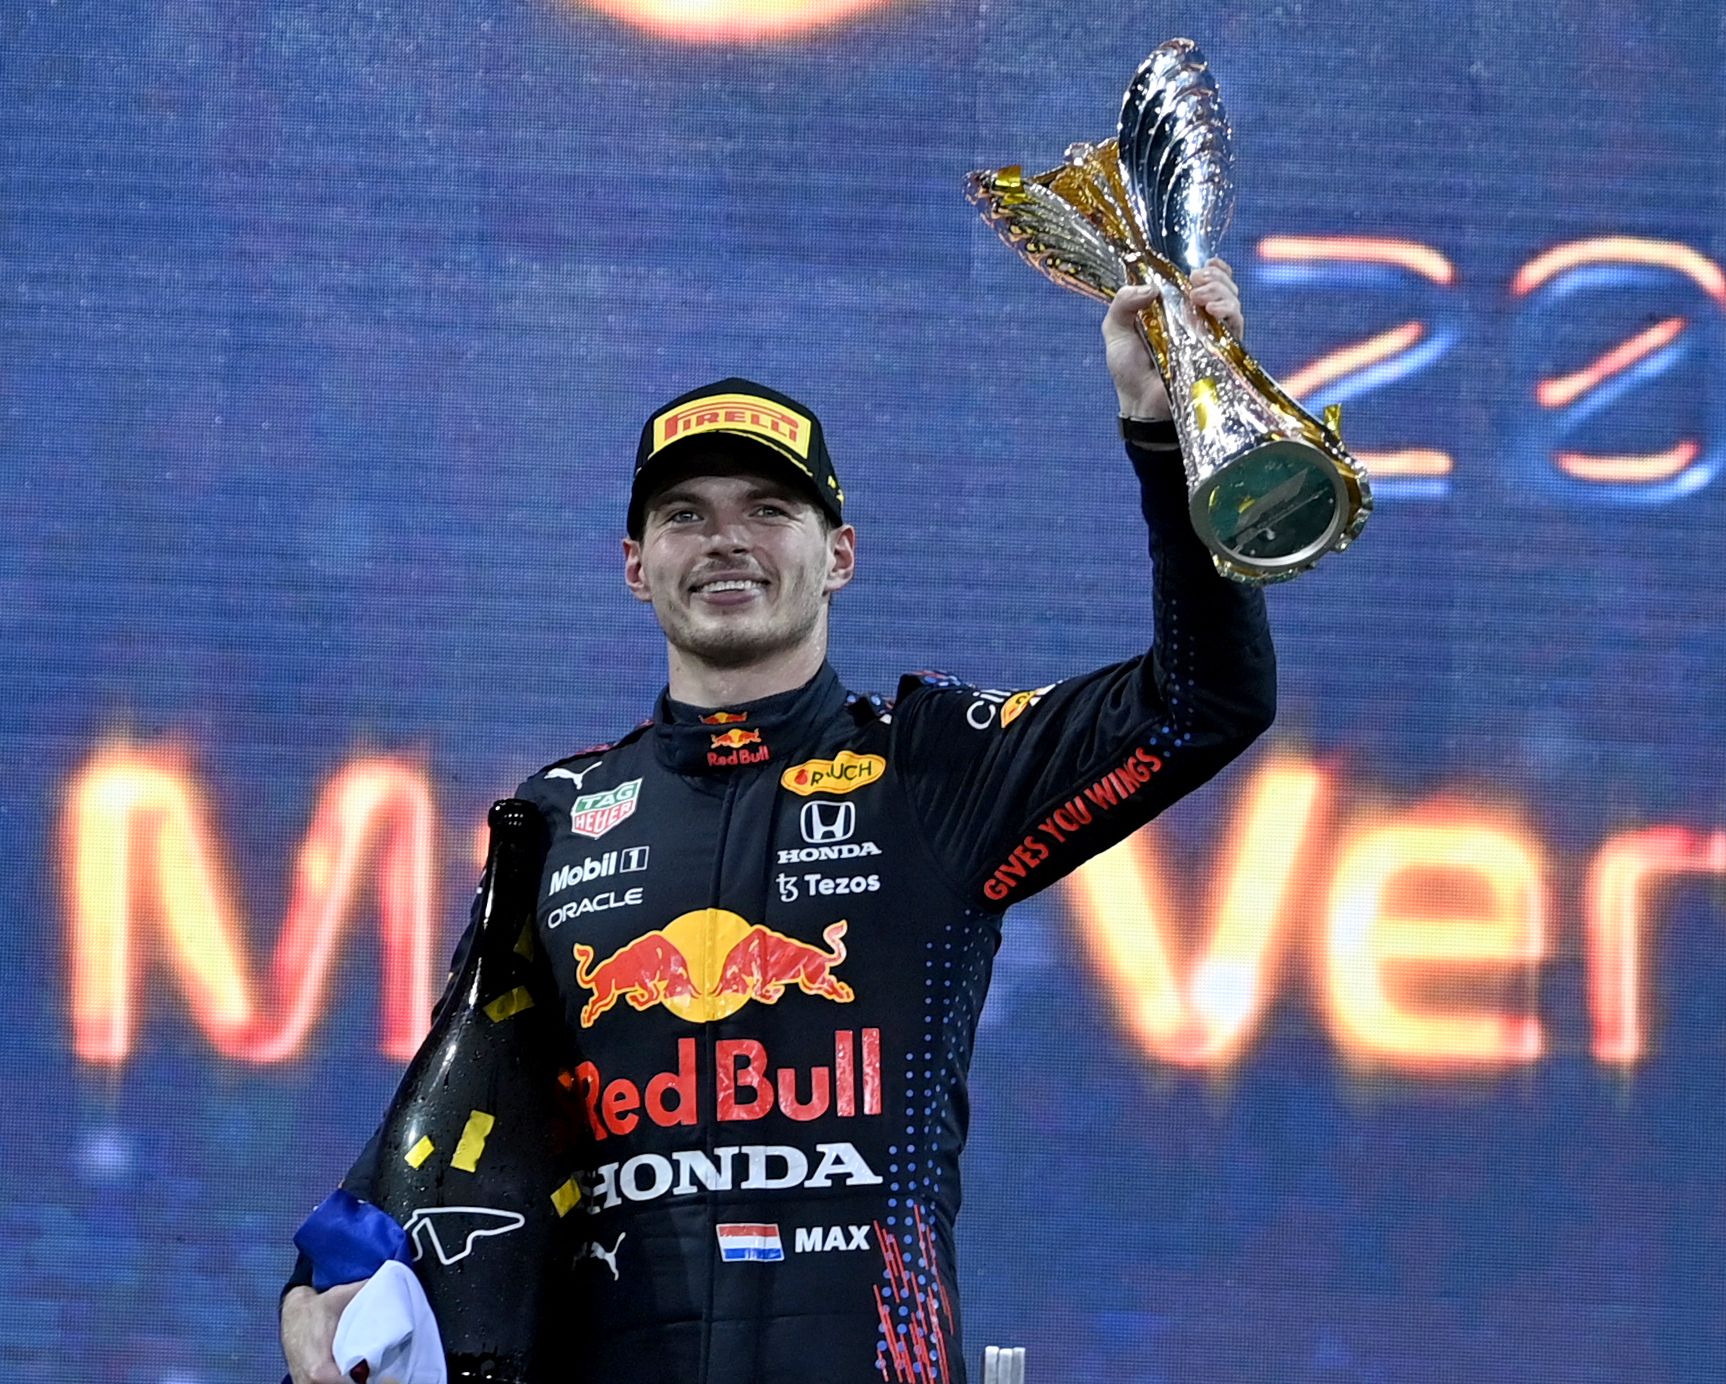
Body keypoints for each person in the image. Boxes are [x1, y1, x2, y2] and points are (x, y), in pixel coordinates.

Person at [280, 263, 1270, 1384]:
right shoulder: (553, 821)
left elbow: (1202, 704)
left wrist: (1168, 427)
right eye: (685, 516)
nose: (726, 541)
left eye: (769, 509)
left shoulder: (932, 767)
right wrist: (319, 1285)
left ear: (837, 553)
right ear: (633, 565)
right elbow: (455, 1105)